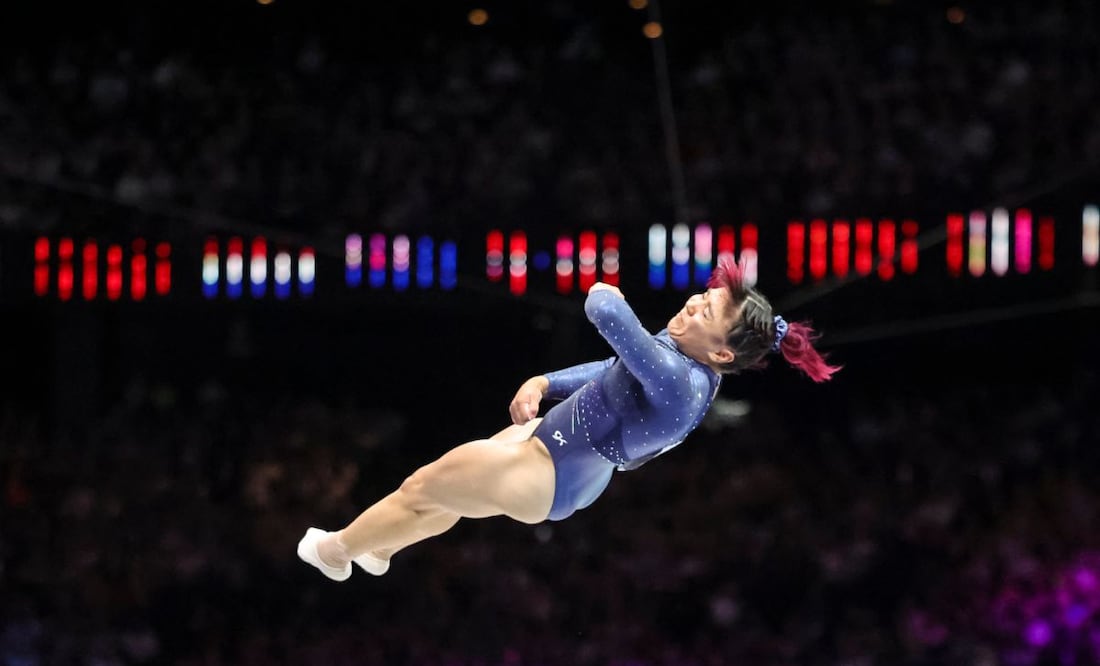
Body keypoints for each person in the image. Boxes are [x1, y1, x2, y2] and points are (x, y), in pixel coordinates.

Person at [297, 257, 839, 580]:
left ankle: (335, 551)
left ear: (722, 352)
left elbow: (604, 310)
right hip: (555, 453)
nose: (693, 304)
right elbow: (614, 369)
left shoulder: (682, 382)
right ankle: (382, 546)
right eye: (703, 295)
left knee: (420, 488)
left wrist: (607, 292)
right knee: (447, 499)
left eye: (707, 311)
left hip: (548, 465)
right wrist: (544, 382)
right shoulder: (689, 365)